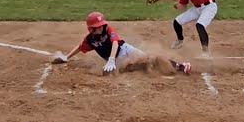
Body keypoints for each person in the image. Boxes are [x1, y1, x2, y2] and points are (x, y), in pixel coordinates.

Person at [51, 11, 191, 74]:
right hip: (118, 61)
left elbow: (116, 43)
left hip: (125, 50)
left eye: (101, 24)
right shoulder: (90, 39)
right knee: (138, 67)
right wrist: (66, 57)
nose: (102, 26)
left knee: (150, 59)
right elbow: (80, 47)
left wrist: (111, 60)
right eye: (98, 25)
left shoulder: (108, 30)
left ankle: (180, 66)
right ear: (92, 28)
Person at [141, 0, 218, 59]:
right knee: (177, 21)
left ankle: (206, 52)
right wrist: (177, 5)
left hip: (209, 7)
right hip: (197, 8)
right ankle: (180, 41)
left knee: (200, 24)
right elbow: (183, 6)